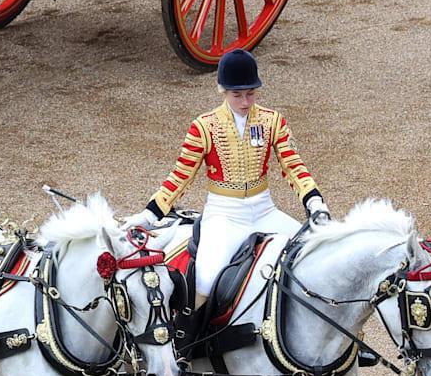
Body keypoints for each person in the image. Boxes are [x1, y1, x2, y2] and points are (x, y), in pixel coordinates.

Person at [132, 49, 329, 305]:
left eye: (251, 94)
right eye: (237, 95)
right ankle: (194, 343)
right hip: (224, 214)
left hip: (264, 210)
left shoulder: (272, 121)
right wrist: (149, 215)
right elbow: (181, 176)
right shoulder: (204, 126)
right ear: (223, 91)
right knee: (206, 278)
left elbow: (293, 166)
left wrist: (315, 203)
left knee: (314, 254)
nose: (245, 102)